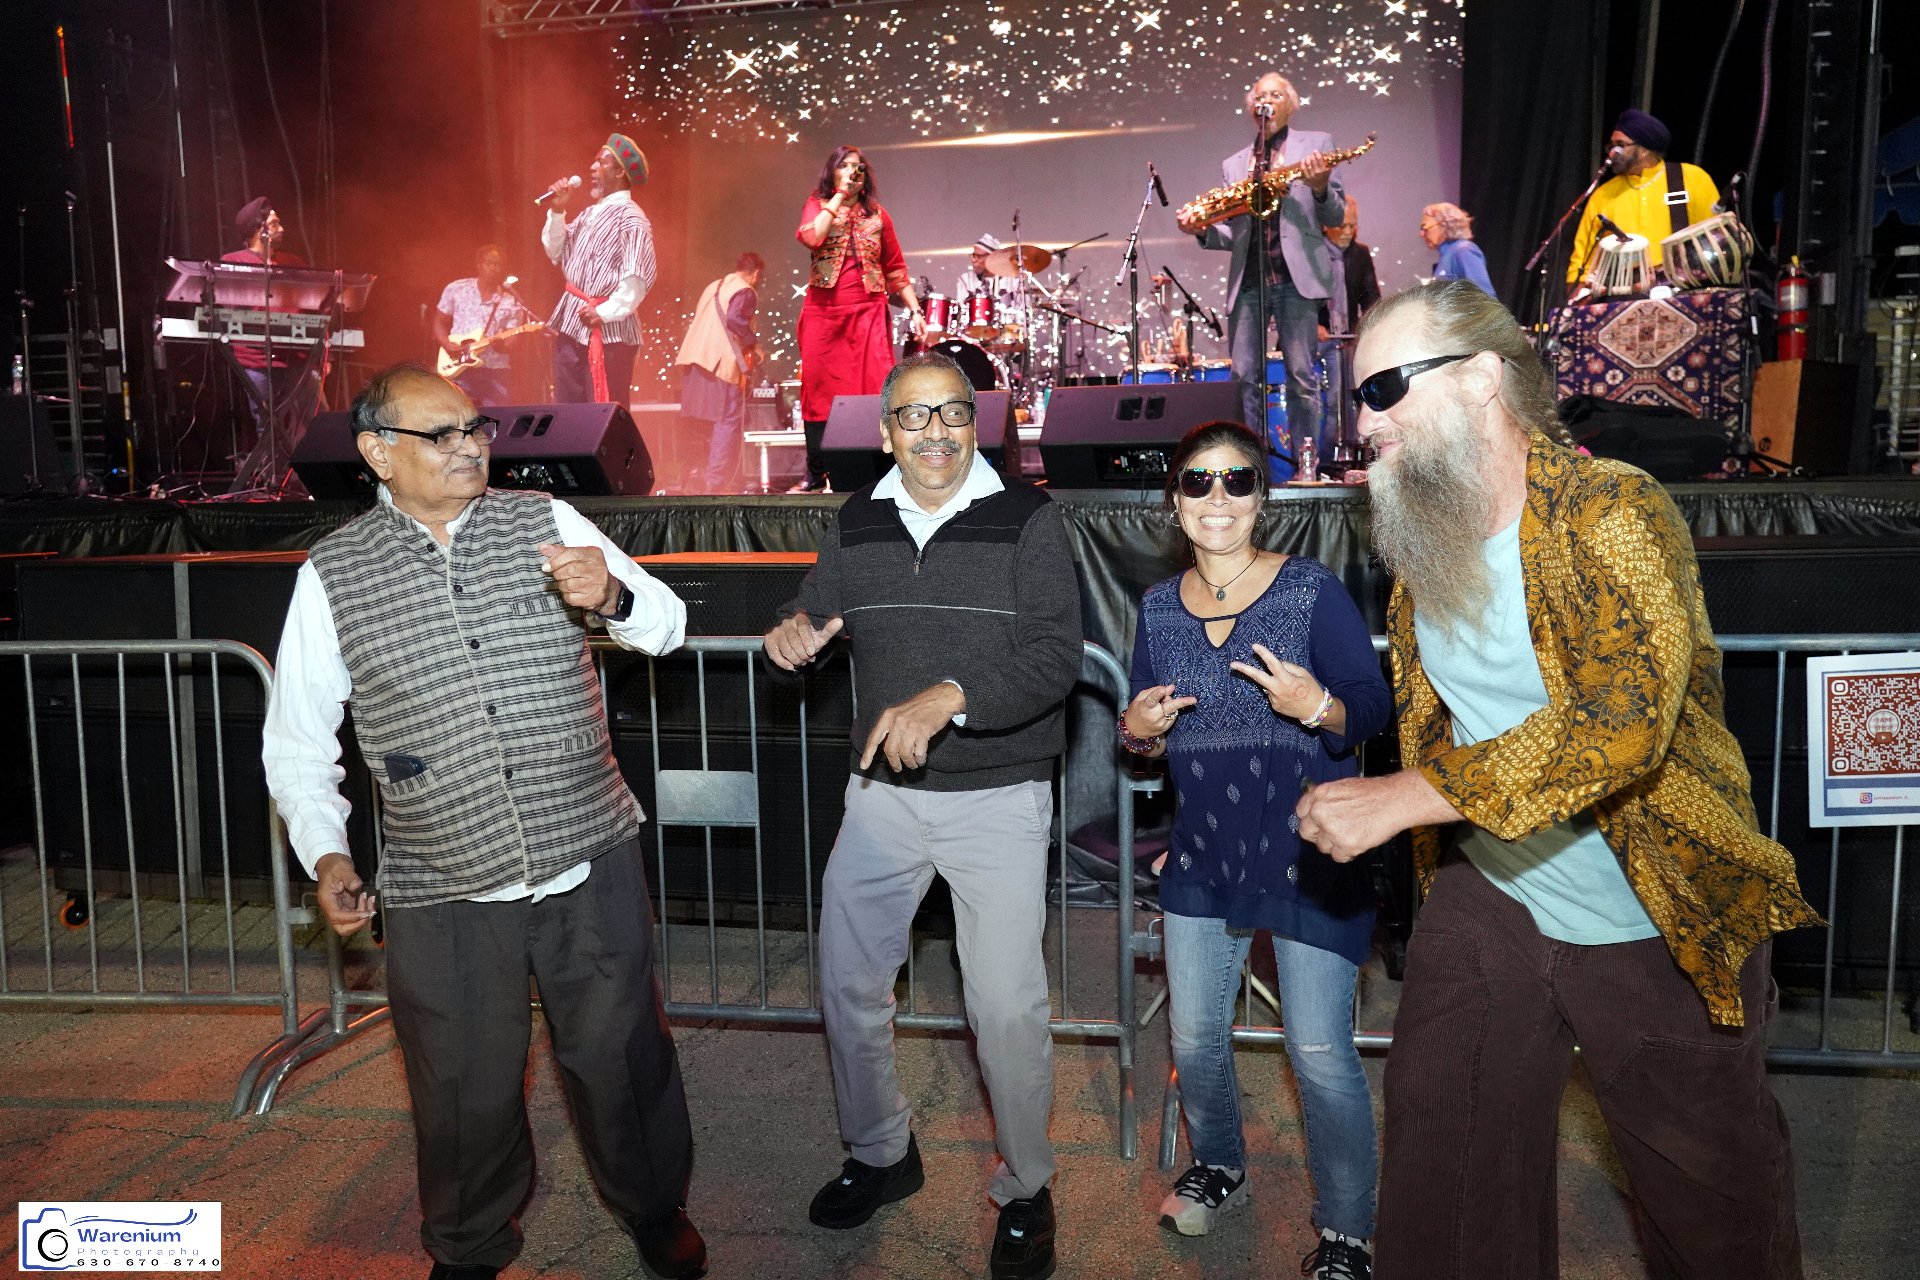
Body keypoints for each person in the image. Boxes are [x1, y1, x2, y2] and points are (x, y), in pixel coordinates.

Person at [1294, 280, 1817, 1279]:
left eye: (1388, 385)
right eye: (1357, 394)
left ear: (1487, 377)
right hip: (1497, 889)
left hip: (1655, 900)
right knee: (1444, 1162)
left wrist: (1410, 794)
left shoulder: (1611, 507)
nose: (1364, 420)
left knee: (1711, 1200)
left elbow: (1624, 719)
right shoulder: (1424, 532)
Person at [261, 363, 708, 1280]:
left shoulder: (545, 520)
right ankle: (468, 1245)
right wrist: (328, 852)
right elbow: (299, 739)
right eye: (443, 435)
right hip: (441, 876)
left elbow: (665, 625)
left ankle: (655, 1205)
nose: (470, 448)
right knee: (461, 1082)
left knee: (622, 1053)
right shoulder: (334, 573)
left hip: (586, 848)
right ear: (379, 453)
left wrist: (615, 598)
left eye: (476, 430)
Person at [762, 351, 1081, 1280]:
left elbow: (1057, 654)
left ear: (977, 422)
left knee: (1007, 1008)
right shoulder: (857, 519)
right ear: (886, 430)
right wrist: (797, 628)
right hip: (882, 801)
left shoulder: (1029, 518)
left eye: (951, 413)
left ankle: (1027, 1186)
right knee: (850, 986)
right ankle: (880, 1153)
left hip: (999, 796)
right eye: (913, 416)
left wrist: (952, 693)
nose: (934, 432)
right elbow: (819, 607)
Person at [1121, 420, 1389, 1280]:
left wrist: (1317, 707)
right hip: (1203, 848)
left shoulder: (1310, 591)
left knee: (1317, 1049)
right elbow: (1141, 725)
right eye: (1198, 482)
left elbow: (1369, 709)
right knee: (1196, 1037)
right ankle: (1221, 1167)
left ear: (1262, 500)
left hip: (1310, 845)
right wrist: (1139, 730)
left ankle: (1346, 1231)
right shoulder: (1158, 610)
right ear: (1175, 504)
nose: (1218, 499)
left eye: (1238, 481)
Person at [1178, 71, 1345, 466]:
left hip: (1296, 278)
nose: (1264, 100)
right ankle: (1249, 466)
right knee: (1243, 380)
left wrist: (1320, 186)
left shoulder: (1317, 144)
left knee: (1301, 378)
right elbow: (1232, 235)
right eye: (1259, 95)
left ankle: (1308, 467)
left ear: (1290, 103)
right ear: (1251, 108)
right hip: (1249, 280)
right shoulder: (1235, 163)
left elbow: (1335, 212)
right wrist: (1200, 229)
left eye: (1274, 94)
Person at [790, 146, 927, 492]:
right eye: (845, 166)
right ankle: (816, 472)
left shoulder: (879, 215)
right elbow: (812, 236)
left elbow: (895, 269)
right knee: (818, 390)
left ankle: (883, 469)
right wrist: (838, 197)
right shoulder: (818, 205)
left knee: (876, 387)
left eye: (858, 167)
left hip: (867, 312)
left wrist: (915, 310)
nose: (852, 172)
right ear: (832, 172)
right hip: (824, 313)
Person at [543, 133, 658, 405]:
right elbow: (554, 251)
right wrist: (558, 211)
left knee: (603, 414)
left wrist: (604, 312)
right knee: (569, 411)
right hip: (573, 326)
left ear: (619, 171)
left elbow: (636, 278)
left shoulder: (631, 217)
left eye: (601, 163)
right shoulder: (588, 214)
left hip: (609, 334)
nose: (592, 169)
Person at [1566, 109, 1720, 297]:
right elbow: (1583, 256)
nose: (1612, 153)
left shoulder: (1691, 178)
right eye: (1611, 146)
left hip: (1685, 293)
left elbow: (1716, 238)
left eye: (1621, 145)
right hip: (1620, 299)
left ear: (1645, 149)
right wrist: (1577, 294)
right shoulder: (1604, 194)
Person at [672, 252, 765, 492]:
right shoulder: (746, 291)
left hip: (695, 362)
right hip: (718, 365)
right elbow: (735, 319)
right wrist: (753, 344)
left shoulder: (714, 286)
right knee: (727, 421)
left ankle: (692, 479)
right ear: (756, 274)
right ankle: (716, 483)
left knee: (701, 425)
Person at [222, 197, 313, 439]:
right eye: (274, 224)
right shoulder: (233, 262)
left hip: (297, 358)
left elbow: (315, 310)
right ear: (257, 229)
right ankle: (275, 474)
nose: (281, 229)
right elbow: (228, 312)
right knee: (268, 426)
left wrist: (324, 356)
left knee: (312, 422)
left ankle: (304, 476)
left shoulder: (293, 263)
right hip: (256, 359)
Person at [433, 244, 533, 407]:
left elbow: (513, 341)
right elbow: (439, 321)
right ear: (479, 264)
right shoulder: (456, 289)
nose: (493, 268)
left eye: (498, 264)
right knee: (458, 418)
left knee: (496, 422)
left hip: (495, 370)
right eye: (489, 263)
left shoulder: (511, 301)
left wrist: (502, 346)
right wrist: (446, 343)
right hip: (459, 367)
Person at [1326, 196, 1380, 335]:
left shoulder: (1360, 253)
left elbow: (1370, 298)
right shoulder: (1311, 253)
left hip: (1348, 334)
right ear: (1325, 224)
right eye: (1342, 226)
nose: (1348, 232)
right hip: (1314, 335)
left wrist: (1371, 327)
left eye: (1353, 225)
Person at [1419, 203, 1495, 297]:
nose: (1421, 234)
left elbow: (1484, 296)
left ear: (1445, 224)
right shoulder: (1449, 254)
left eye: (1424, 227)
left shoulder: (1463, 251)